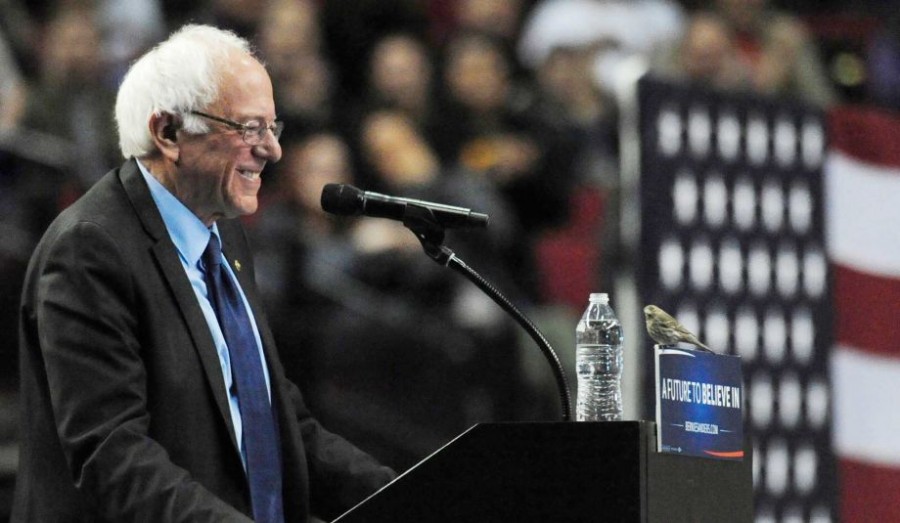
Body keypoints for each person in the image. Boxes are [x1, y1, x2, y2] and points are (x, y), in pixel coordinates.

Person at [13, 24, 395, 522]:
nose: (272, 151)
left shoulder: (224, 235)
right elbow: (112, 454)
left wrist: (409, 497)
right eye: (249, 128)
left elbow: (279, 424)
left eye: (272, 128)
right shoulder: (89, 250)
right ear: (168, 133)